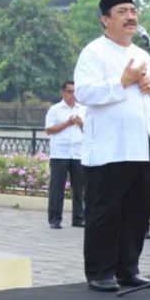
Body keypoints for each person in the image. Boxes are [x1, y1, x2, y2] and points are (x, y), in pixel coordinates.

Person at [74, 0, 150, 292]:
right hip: (109, 149)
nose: (131, 17)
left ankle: (128, 269)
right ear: (105, 20)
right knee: (105, 212)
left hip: (143, 146)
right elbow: (84, 93)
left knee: (137, 213)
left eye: (133, 11)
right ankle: (100, 272)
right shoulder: (93, 52)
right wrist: (121, 82)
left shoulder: (142, 54)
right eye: (123, 12)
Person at [45, 80, 85, 230]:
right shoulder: (55, 110)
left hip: (78, 153)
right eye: (69, 92)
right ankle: (55, 219)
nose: (72, 95)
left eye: (75, 92)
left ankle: (78, 218)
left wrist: (81, 123)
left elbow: (90, 131)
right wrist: (67, 123)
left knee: (79, 188)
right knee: (57, 188)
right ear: (63, 93)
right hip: (60, 153)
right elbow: (49, 129)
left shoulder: (83, 109)